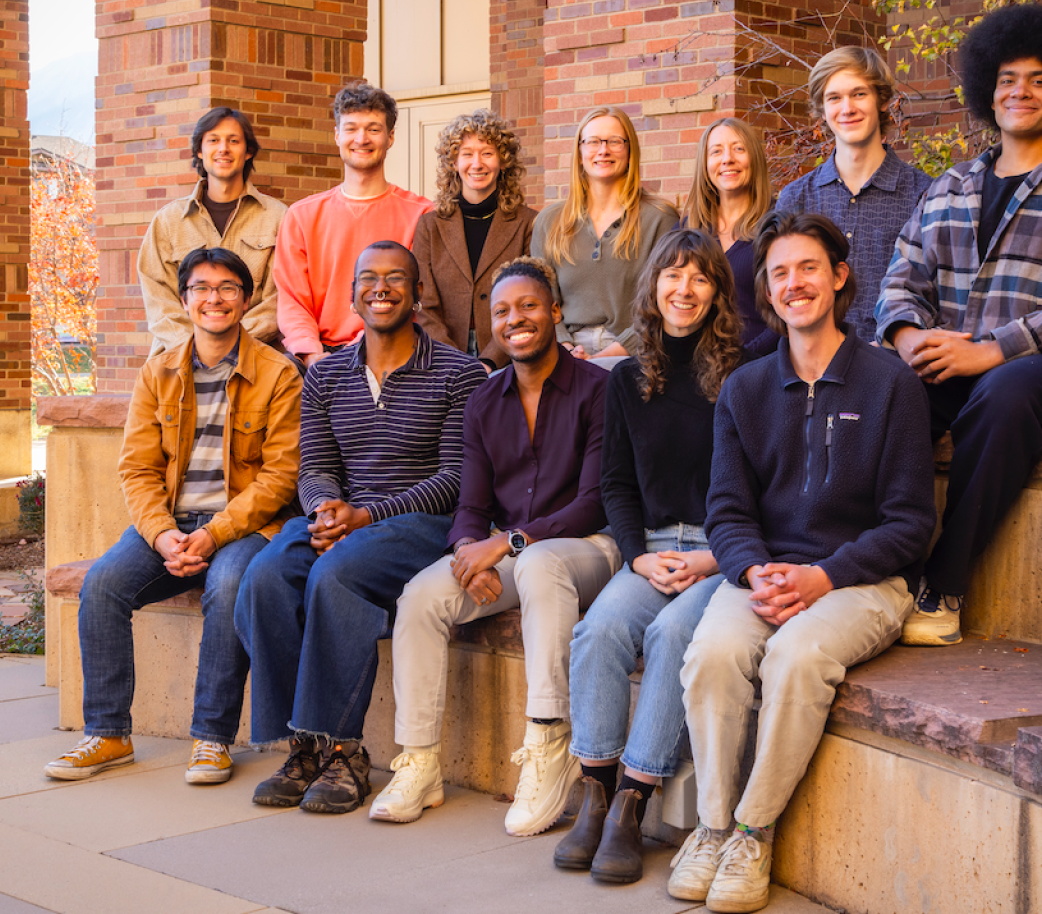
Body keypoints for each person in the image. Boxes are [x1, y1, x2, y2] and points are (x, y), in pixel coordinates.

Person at [670, 211, 935, 913]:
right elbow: (727, 512)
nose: (795, 284)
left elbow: (911, 522)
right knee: (714, 653)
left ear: (840, 277)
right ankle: (713, 824)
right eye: (780, 273)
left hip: (863, 580)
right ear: (766, 291)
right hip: (767, 571)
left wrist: (823, 576)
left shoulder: (890, 385)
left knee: (795, 658)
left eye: (808, 268)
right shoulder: (746, 389)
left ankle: (753, 833)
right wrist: (755, 569)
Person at [876, 3, 1042, 647]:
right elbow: (898, 284)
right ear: (985, 92)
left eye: (1039, 79)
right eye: (1005, 79)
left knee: (1007, 390)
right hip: (957, 359)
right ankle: (865, 564)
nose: (1018, 91)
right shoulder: (949, 187)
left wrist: (994, 352)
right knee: (878, 386)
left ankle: (943, 586)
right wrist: (910, 341)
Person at [370, 257, 620, 837]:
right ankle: (419, 762)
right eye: (502, 311)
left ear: (555, 313)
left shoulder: (600, 390)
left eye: (530, 306)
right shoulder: (484, 401)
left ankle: (548, 739)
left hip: (590, 549)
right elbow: (471, 506)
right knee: (420, 597)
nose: (516, 320)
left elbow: (594, 501)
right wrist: (466, 553)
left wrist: (504, 544)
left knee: (537, 561)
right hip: (516, 555)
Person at [234, 241, 486, 814]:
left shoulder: (458, 373)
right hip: (344, 517)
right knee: (266, 574)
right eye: (368, 279)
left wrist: (366, 516)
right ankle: (302, 743)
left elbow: (456, 477)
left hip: (423, 524)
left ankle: (344, 750)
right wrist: (326, 510)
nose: (381, 287)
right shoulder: (325, 377)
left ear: (418, 294)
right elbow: (316, 466)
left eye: (396, 278)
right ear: (351, 296)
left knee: (338, 575)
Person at [45, 248, 301, 784]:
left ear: (246, 299)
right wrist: (163, 536)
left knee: (230, 586)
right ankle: (109, 733)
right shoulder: (157, 371)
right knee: (104, 585)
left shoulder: (279, 374)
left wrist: (213, 534)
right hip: (171, 526)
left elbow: (280, 477)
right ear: (184, 300)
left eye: (228, 287)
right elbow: (136, 469)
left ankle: (211, 738)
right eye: (202, 288)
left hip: (243, 528)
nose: (214, 298)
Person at [552, 229, 745, 885]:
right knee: (599, 629)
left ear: (718, 292)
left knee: (669, 636)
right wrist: (635, 557)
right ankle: (597, 790)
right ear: (653, 288)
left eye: (699, 278)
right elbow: (616, 484)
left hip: (719, 557)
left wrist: (716, 558)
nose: (683, 289)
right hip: (654, 550)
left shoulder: (743, 376)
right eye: (672, 275)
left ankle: (634, 799)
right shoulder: (629, 377)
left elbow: (760, 488)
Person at [775, 47, 932, 344]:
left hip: (894, 368)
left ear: (883, 101)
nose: (847, 108)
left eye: (859, 94)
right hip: (812, 369)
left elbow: (936, 294)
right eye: (834, 98)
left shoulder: (924, 194)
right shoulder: (795, 199)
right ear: (822, 110)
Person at [274, 81, 432, 368]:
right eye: (351, 128)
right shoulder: (301, 216)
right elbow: (292, 299)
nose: (362, 138)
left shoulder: (421, 214)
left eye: (373, 129)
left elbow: (416, 298)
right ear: (336, 135)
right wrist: (311, 355)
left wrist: (357, 351)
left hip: (392, 354)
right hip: (315, 359)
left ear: (390, 137)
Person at [530, 106, 677, 363]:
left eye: (614, 142)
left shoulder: (660, 218)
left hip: (633, 351)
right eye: (593, 142)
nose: (603, 150)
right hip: (563, 350)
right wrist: (565, 349)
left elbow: (663, 301)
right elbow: (540, 297)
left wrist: (605, 358)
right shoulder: (549, 222)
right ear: (579, 152)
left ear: (630, 151)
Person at [137, 107, 288, 354]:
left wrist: (229, 346)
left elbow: (279, 299)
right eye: (214, 140)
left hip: (257, 359)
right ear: (200, 150)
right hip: (179, 359)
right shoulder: (168, 221)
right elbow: (159, 299)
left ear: (248, 151)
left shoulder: (278, 218)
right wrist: (196, 351)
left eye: (233, 141)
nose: (223, 149)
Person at [413, 109, 538, 370]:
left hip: (509, 355)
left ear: (503, 162)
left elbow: (530, 299)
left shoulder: (528, 223)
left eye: (488, 153)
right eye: (467, 154)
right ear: (453, 162)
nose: (477, 163)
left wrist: (490, 362)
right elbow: (424, 304)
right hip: (441, 358)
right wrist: (452, 362)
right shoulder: (429, 226)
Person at [681, 117, 778, 355]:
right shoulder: (687, 229)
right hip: (697, 365)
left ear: (754, 158)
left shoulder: (777, 226)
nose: (727, 159)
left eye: (739, 149)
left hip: (761, 364)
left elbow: (790, 312)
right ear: (704, 165)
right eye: (716, 151)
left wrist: (744, 360)